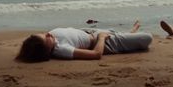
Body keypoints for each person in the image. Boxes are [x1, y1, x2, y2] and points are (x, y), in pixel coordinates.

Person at [16, 20, 153, 62]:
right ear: (46, 50)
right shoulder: (61, 49)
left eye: (42, 34)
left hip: (87, 31)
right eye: (46, 38)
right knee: (147, 37)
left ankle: (130, 33)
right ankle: (132, 33)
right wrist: (101, 38)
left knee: (117, 32)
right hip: (102, 42)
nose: (47, 34)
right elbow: (96, 54)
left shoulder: (52, 38)